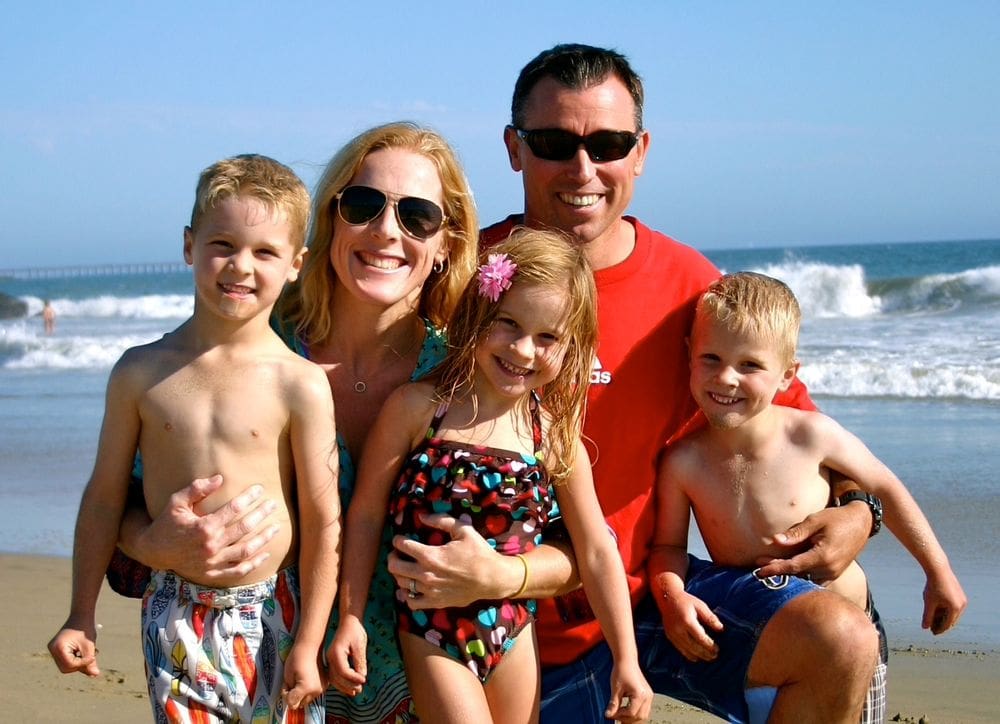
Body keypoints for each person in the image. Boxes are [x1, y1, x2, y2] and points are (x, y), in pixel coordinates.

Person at [386, 44, 883, 723]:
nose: (583, 168)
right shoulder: (468, 276)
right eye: (556, 141)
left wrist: (859, 512)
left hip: (643, 605)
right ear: (514, 148)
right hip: (474, 618)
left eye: (609, 143)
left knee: (842, 638)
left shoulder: (691, 292)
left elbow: (802, 428)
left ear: (641, 150)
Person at [107, 122, 480, 723]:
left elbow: (558, 537)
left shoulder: (468, 377)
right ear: (329, 218)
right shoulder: (253, 338)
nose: (386, 230)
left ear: (446, 242)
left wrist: (505, 572)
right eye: (363, 205)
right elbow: (120, 497)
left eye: (418, 216)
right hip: (260, 668)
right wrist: (149, 542)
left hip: (424, 684)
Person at [48, 154, 340, 722]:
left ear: (296, 264)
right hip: (174, 609)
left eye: (265, 252)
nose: (240, 266)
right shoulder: (140, 372)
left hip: (274, 613)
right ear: (189, 246)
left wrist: (310, 640)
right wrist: (80, 612)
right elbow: (105, 495)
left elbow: (323, 518)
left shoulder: (299, 383)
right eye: (222, 244)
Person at [331, 229, 653, 723]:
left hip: (514, 628)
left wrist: (626, 659)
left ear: (574, 347)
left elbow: (595, 549)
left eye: (548, 337)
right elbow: (367, 512)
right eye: (508, 324)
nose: (523, 350)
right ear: (479, 314)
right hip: (430, 626)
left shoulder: (554, 436)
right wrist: (350, 616)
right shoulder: (421, 408)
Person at [651, 271, 968, 723]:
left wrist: (939, 573)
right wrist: (671, 596)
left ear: (787, 374)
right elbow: (668, 548)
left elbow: (886, 489)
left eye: (750, 366)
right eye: (711, 358)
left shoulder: (811, 436)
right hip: (768, 629)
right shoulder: (683, 461)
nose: (726, 378)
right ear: (688, 356)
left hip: (852, 625)